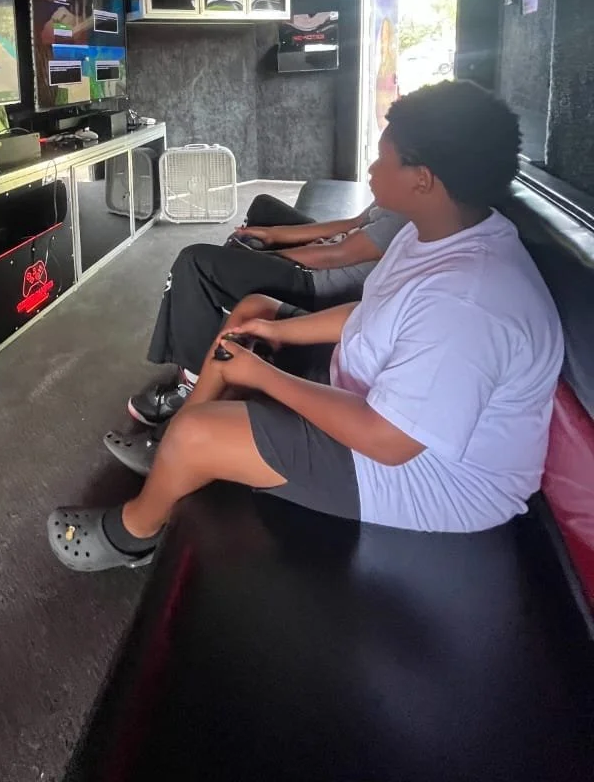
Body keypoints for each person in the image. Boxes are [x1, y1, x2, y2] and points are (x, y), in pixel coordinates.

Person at [47, 81, 564, 571]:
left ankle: (134, 533)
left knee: (198, 434)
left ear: (422, 179)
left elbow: (387, 440)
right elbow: (372, 314)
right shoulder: (433, 232)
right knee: (253, 311)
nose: (371, 168)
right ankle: (171, 450)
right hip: (380, 400)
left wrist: (264, 375)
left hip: (428, 480)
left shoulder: (468, 301)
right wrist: (274, 332)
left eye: (383, 158)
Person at [129, 200, 406, 427]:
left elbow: (335, 255)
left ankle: (193, 381)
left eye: (383, 160)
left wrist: (264, 258)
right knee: (263, 208)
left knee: (194, 261)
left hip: (318, 284)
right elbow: (354, 223)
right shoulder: (396, 193)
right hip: (329, 254)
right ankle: (218, 302)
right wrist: (272, 234)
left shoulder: (404, 216)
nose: (372, 168)